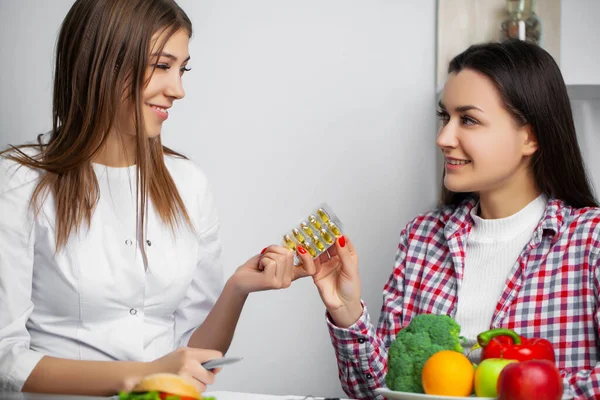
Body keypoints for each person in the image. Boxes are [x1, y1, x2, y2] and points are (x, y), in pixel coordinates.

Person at [0, 0, 311, 396]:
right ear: (102, 62)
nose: (178, 90)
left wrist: (237, 288)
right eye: (161, 66)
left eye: (183, 69)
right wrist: (140, 375)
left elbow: (193, 355)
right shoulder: (19, 181)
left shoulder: (188, 183)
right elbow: (6, 358)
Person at [292, 39, 600, 399]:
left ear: (529, 136)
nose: (443, 137)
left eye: (468, 120)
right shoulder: (421, 238)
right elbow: (377, 391)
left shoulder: (590, 241)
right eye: (445, 117)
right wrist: (346, 310)